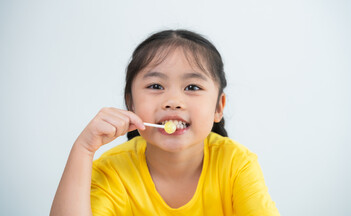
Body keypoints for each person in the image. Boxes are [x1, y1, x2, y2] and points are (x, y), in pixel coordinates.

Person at [50, 29, 280, 216]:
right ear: (130, 103)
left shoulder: (236, 164)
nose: (173, 101)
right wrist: (83, 150)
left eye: (192, 87)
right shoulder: (112, 170)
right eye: (156, 86)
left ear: (218, 108)